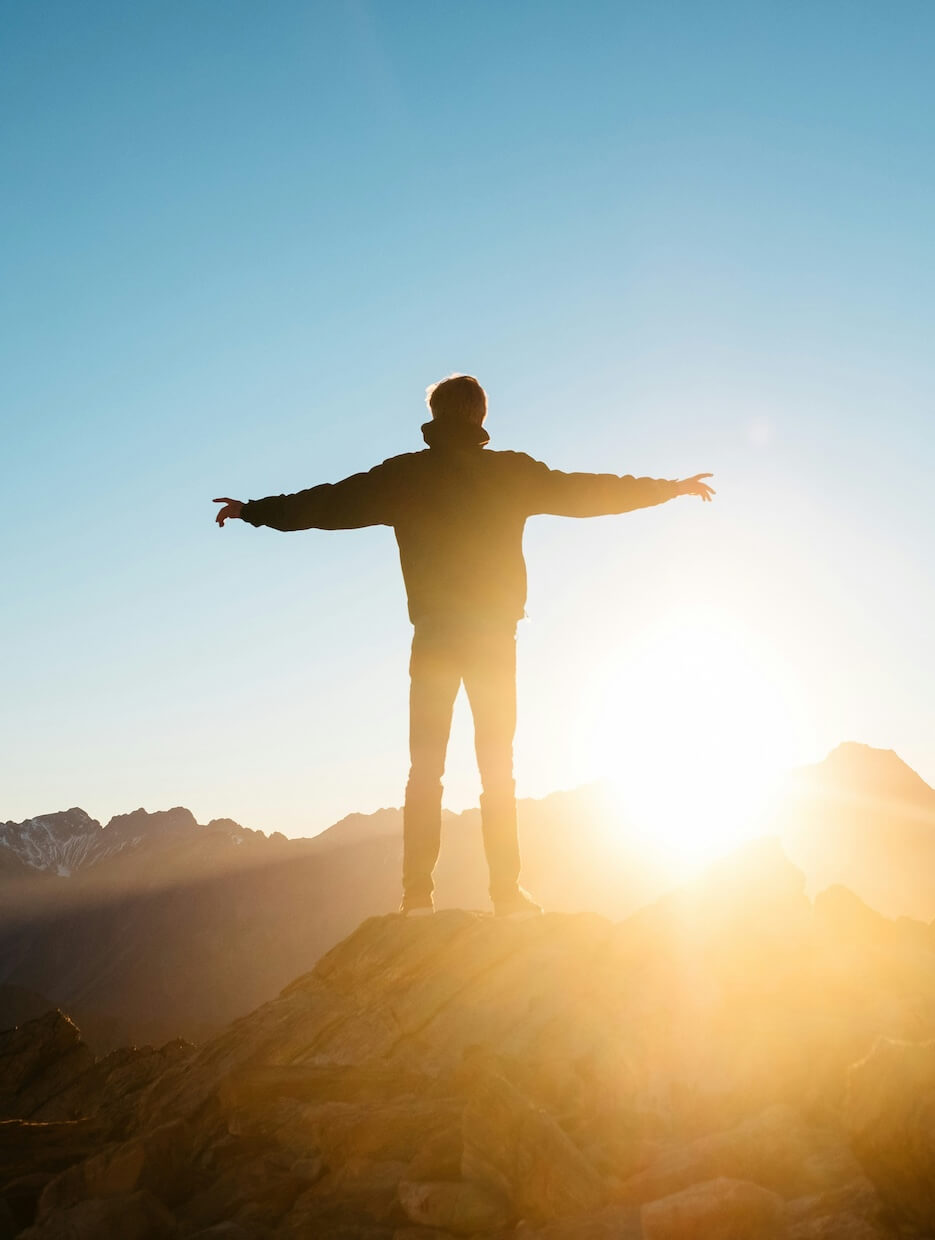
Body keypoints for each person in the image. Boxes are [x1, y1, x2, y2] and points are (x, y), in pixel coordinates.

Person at [214, 374, 714, 918]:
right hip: (494, 638)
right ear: (480, 416)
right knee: (497, 767)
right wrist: (669, 488)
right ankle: (507, 896)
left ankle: (416, 897)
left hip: (434, 637)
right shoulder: (510, 473)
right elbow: (589, 491)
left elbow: (326, 504)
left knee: (425, 769)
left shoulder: (405, 475)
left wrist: (252, 510)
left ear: (435, 414)